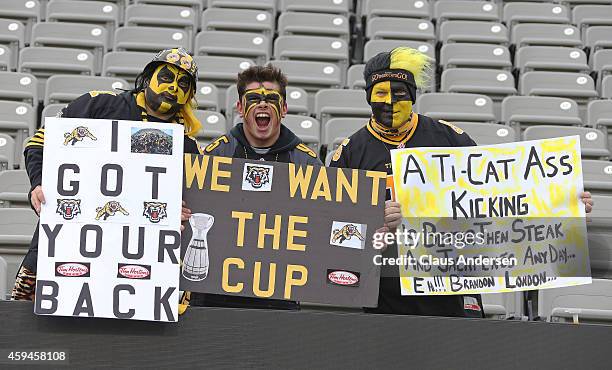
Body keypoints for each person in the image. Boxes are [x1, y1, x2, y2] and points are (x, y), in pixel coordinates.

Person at [328, 47, 594, 317]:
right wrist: (376, 222)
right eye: (381, 94)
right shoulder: (350, 153)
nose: (391, 102)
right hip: (386, 286)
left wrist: (563, 202)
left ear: (413, 96)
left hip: (449, 282)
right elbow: (332, 230)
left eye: (400, 93)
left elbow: (499, 193)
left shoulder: (449, 138)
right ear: (368, 97)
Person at [13, 48, 203, 311]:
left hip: (140, 266)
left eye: (183, 84)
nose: (173, 87)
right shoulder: (99, 104)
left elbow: (194, 209)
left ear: (190, 95)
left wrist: (183, 214)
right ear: (147, 79)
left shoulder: (188, 147)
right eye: (167, 76)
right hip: (66, 247)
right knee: (33, 325)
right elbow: (38, 143)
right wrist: (39, 182)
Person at [183, 64, 322, 310]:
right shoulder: (216, 155)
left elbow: (323, 225)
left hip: (279, 295)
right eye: (253, 98)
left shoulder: (307, 162)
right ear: (239, 108)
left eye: (271, 99)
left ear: (284, 109)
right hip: (217, 295)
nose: (262, 104)